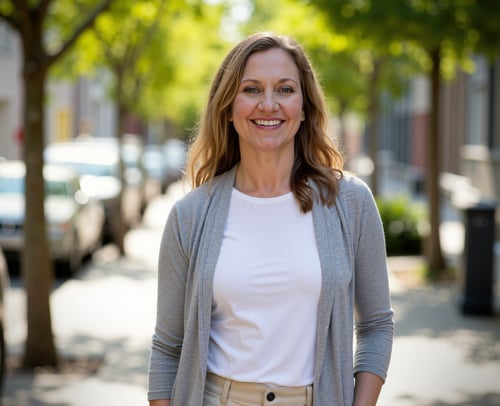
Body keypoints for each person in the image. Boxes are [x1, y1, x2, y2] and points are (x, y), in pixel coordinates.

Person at [147, 32, 394, 406]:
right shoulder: (190, 215)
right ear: (228, 107)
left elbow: (376, 326)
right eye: (251, 89)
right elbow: (167, 348)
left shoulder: (351, 203)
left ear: (305, 106)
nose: (268, 104)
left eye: (284, 90)